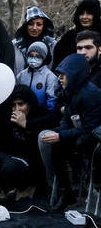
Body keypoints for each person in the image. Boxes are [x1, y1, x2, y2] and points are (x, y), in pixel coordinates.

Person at [38, 54, 101, 211]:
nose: (59, 78)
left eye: (62, 75)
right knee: (55, 143)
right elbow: (67, 120)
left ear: (74, 74)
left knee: (70, 142)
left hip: (93, 135)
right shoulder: (70, 90)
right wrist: (57, 132)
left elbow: (88, 126)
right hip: (80, 131)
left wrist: (60, 135)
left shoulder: (92, 94)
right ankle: (65, 191)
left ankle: (80, 183)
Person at [0, 85, 52, 203]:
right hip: (9, 155)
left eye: (21, 104)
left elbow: (52, 120)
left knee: (12, 167)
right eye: (13, 105)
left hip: (28, 163)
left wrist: (26, 124)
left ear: (29, 104)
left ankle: (25, 189)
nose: (17, 109)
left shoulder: (40, 114)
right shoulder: (6, 115)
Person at [53, 0, 101, 68]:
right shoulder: (70, 36)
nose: (84, 17)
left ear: (96, 15)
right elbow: (59, 56)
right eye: (81, 13)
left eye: (89, 13)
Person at [15, 42, 59, 113]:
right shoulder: (21, 75)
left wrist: (47, 114)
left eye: (37, 57)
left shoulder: (50, 77)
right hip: (22, 112)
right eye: (31, 56)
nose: (33, 59)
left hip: (41, 115)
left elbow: (52, 100)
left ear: (43, 58)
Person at [12, 6, 57, 74]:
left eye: (39, 24)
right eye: (31, 24)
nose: (34, 28)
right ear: (26, 25)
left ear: (43, 26)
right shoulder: (15, 45)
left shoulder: (52, 45)